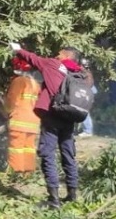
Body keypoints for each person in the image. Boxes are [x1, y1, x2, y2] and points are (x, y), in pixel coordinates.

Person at [11, 43, 83, 208]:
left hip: (52, 116)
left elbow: (33, 59)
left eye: (59, 54)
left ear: (66, 56)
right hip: (69, 117)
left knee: (47, 154)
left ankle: (53, 200)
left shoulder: (53, 64)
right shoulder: (77, 72)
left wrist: (18, 49)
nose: (57, 56)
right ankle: (72, 195)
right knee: (68, 154)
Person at [1, 56, 40, 174]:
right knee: (29, 148)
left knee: (16, 148)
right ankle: (28, 173)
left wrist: (3, 106)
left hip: (20, 121)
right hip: (33, 122)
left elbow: (11, 103)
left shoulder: (19, 81)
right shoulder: (35, 84)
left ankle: (15, 172)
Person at [79, 58, 96, 137]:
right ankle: (87, 130)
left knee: (84, 112)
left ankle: (88, 131)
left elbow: (88, 86)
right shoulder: (86, 73)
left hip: (86, 94)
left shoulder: (87, 74)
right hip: (87, 94)